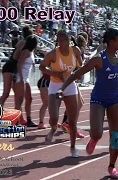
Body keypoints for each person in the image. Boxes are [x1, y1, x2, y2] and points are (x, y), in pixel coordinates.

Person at [55, 28, 118, 178]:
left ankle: (112, 166)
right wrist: (62, 89)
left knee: (115, 137)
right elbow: (77, 73)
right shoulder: (99, 59)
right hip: (98, 99)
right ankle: (94, 139)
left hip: (115, 100)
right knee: (97, 133)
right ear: (112, 41)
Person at [39, 30, 83, 158]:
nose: (62, 42)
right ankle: (53, 129)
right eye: (59, 40)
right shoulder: (52, 54)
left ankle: (73, 147)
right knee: (54, 117)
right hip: (55, 86)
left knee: (73, 120)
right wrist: (55, 74)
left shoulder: (75, 50)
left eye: (64, 40)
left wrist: (79, 73)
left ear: (70, 40)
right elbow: (42, 67)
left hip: (70, 86)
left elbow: (80, 66)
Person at [0, 26, 33, 126]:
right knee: (6, 93)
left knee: (18, 97)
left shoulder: (24, 43)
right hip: (10, 67)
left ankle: (21, 119)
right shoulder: (23, 43)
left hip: (13, 68)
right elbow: (15, 57)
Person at [14, 35, 38, 126]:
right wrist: (20, 79)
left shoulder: (31, 52)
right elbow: (19, 65)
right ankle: (15, 122)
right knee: (19, 101)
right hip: (21, 78)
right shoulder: (26, 52)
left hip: (25, 78)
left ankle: (28, 120)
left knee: (29, 98)